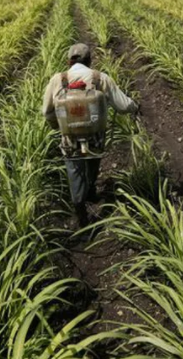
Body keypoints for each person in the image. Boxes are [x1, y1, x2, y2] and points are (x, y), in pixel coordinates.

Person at [42, 43, 138, 227]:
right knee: (93, 162)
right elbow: (124, 105)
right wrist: (136, 107)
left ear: (69, 61)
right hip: (95, 137)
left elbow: (46, 111)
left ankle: (80, 209)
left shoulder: (58, 79)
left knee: (74, 169)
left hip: (70, 138)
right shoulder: (99, 78)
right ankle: (91, 189)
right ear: (89, 60)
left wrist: (57, 126)